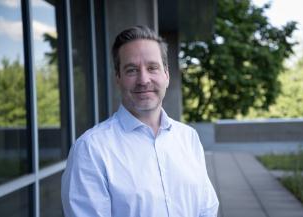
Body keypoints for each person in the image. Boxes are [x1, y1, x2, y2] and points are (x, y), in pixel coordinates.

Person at [61, 25, 219, 217]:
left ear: (166, 75)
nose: (143, 80)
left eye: (152, 67)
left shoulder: (188, 138)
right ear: (118, 78)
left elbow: (207, 209)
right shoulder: (91, 149)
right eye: (131, 70)